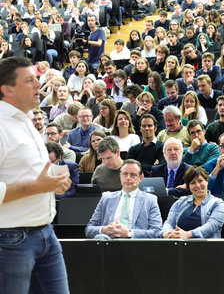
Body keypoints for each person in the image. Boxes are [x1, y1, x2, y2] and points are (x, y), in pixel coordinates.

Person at [0, 57, 71, 293]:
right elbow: (30, 183)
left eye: (36, 78)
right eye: (29, 80)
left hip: (46, 233)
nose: (38, 84)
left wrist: (53, 182)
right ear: (7, 89)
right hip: (10, 239)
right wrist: (37, 187)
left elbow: (26, 170)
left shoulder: (27, 120)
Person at [86, 159, 163, 239]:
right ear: (120, 176)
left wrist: (129, 233)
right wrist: (103, 230)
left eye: (133, 175)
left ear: (140, 178)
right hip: (108, 243)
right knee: (100, 238)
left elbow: (157, 232)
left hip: (136, 245)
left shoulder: (150, 200)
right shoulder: (106, 198)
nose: (128, 178)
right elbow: (89, 229)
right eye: (125, 174)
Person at [162, 166, 224, 239]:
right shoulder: (180, 202)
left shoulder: (218, 203)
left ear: (207, 181)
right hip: (178, 246)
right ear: (188, 186)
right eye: (193, 183)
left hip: (206, 247)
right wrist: (166, 233)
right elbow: (169, 222)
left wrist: (188, 234)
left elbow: (212, 225)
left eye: (200, 181)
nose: (198, 186)